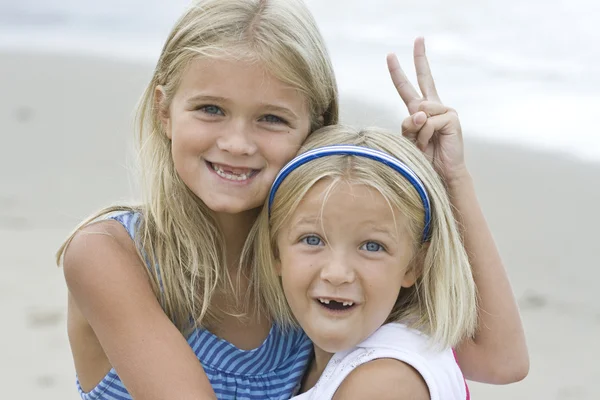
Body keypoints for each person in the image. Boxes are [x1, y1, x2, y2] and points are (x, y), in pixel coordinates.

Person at [55, 0, 527, 398]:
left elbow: (499, 360)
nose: (237, 143)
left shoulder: (318, 260)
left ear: (313, 128)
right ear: (165, 112)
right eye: (210, 110)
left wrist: (451, 179)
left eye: (272, 119)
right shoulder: (110, 253)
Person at [253, 124, 478, 399]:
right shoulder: (306, 360)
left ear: (414, 265)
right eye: (312, 240)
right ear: (276, 252)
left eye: (372, 246)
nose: (337, 274)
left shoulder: (386, 383)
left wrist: (455, 177)